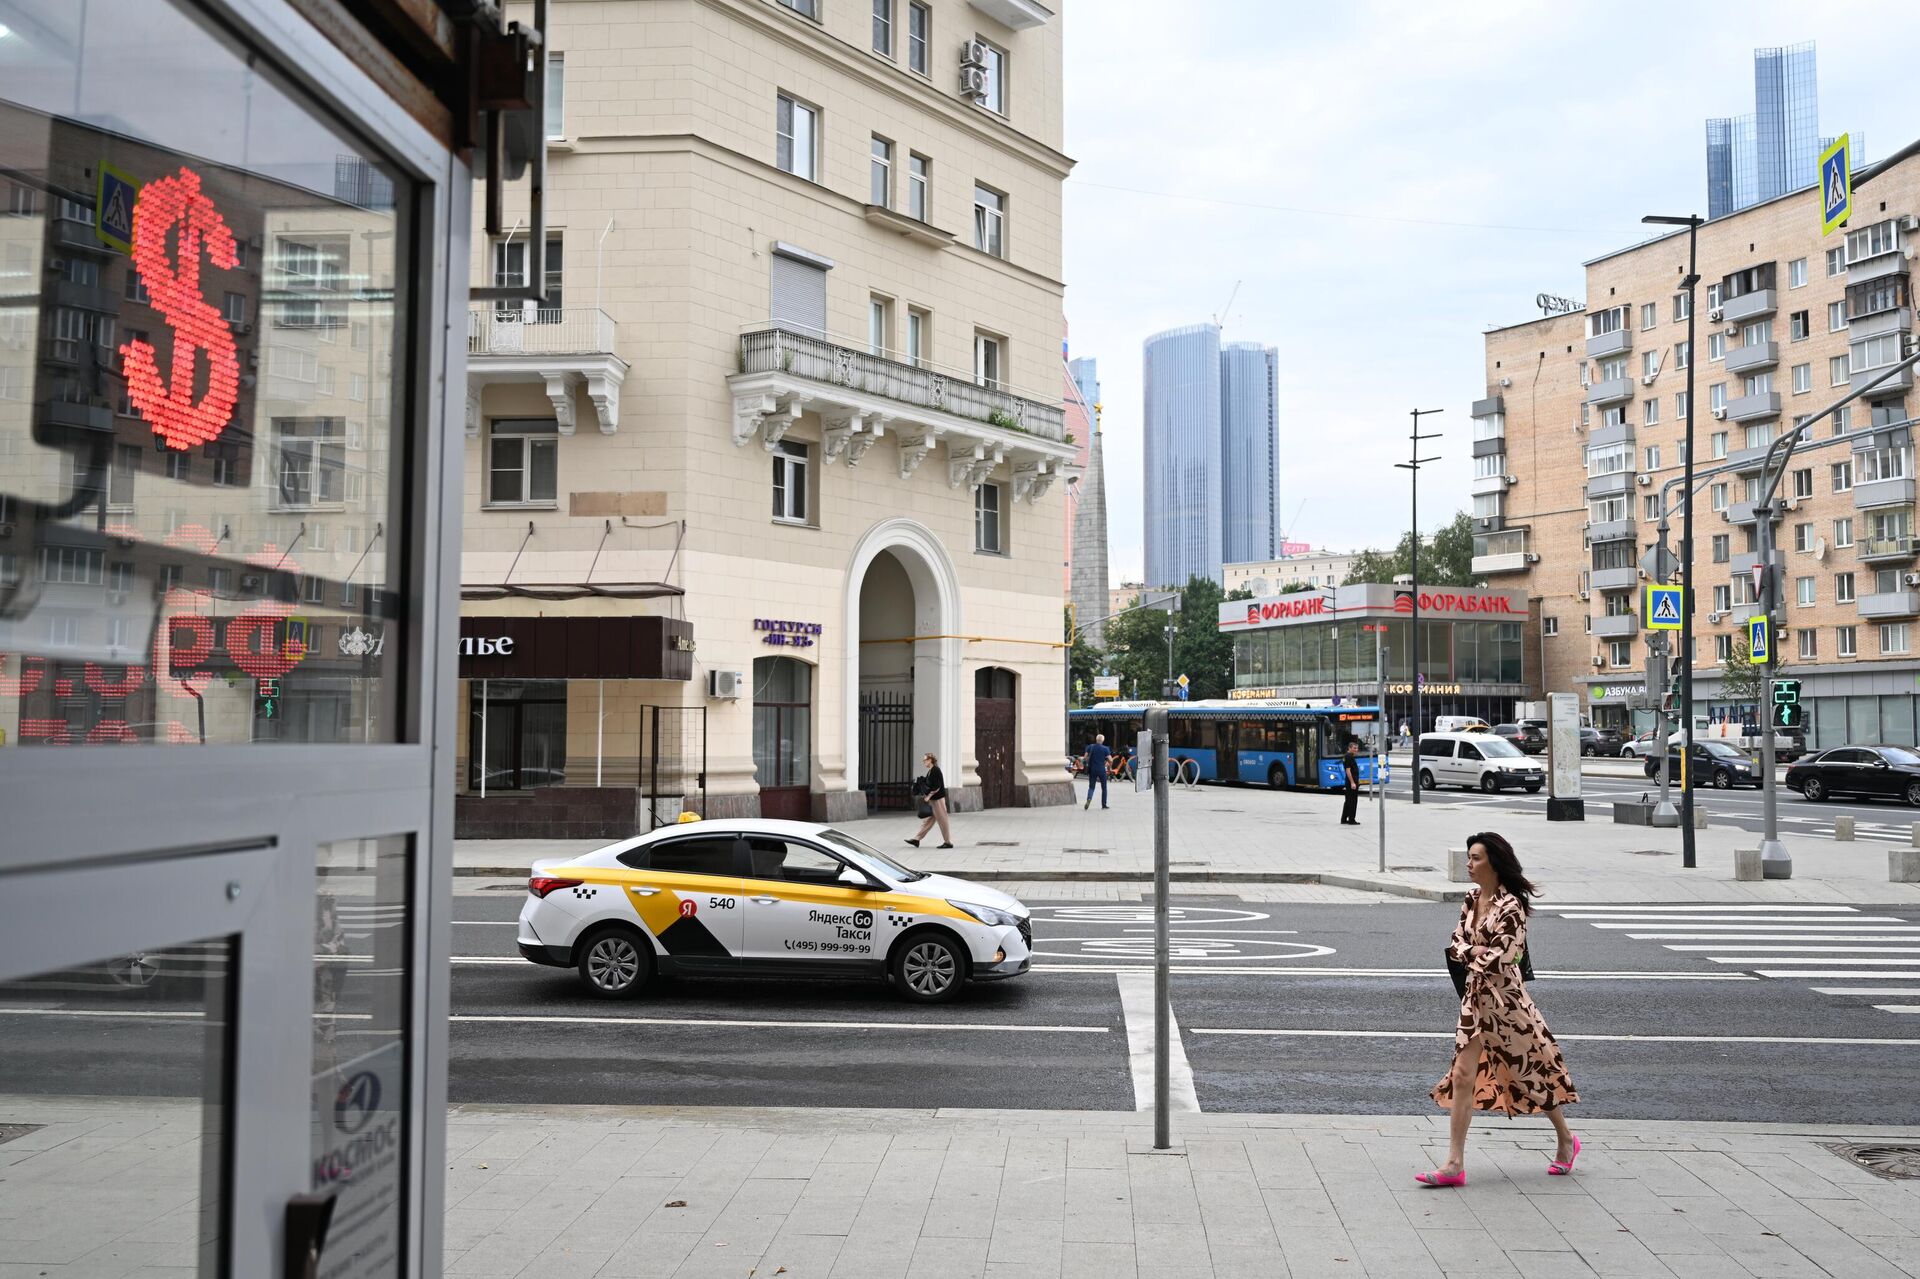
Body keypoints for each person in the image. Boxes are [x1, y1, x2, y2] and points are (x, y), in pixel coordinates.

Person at [1418, 831, 1579, 1188]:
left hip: (1508, 1004)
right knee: (1463, 1075)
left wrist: (1472, 952)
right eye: (1468, 857)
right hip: (1475, 1002)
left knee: (1532, 1075)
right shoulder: (1472, 899)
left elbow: (1504, 958)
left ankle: (1566, 1139)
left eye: (1475, 858)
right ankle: (1454, 1164)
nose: (1469, 864)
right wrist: (1474, 952)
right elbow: (1455, 945)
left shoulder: (1512, 906)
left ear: (1494, 861)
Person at [905, 752, 953, 849]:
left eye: (925, 760)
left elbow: (937, 786)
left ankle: (948, 842)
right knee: (928, 821)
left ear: (930, 760)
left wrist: (928, 796)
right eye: (923, 760)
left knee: (943, 820)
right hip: (934, 800)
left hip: (938, 799)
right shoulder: (930, 771)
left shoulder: (935, 770)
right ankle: (917, 839)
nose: (924, 762)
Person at [1082, 734, 1112, 810]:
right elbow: (1110, 760)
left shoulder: (1090, 747)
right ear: (1102, 740)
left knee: (1091, 787)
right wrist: (1108, 764)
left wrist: (1089, 760)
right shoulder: (1105, 749)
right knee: (1104, 787)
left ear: (1096, 740)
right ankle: (1104, 805)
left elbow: (1085, 758)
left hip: (1092, 769)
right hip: (1101, 769)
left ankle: (1089, 799)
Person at [1339, 738, 1362, 825]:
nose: (1356, 750)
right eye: (1354, 748)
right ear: (1349, 748)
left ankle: (1344, 819)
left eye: (1357, 748)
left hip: (1350, 782)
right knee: (1353, 801)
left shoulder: (1348, 756)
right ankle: (1351, 819)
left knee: (1348, 800)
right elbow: (1348, 770)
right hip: (1351, 782)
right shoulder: (1349, 757)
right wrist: (1352, 782)